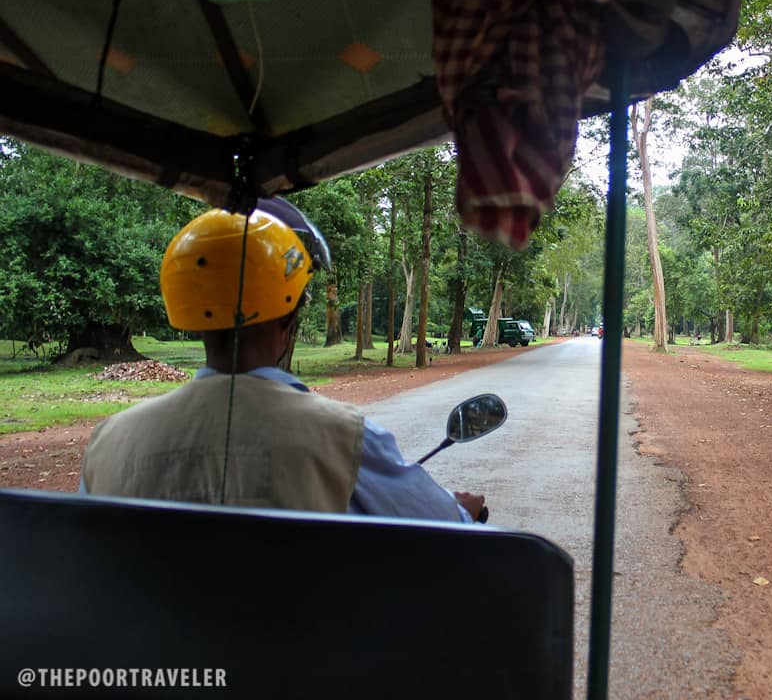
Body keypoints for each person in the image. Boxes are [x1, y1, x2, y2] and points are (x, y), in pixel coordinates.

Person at [81, 199, 485, 523]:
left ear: (187, 315)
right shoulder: (343, 436)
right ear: (289, 320)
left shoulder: (109, 441)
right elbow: (436, 523)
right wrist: (461, 512)